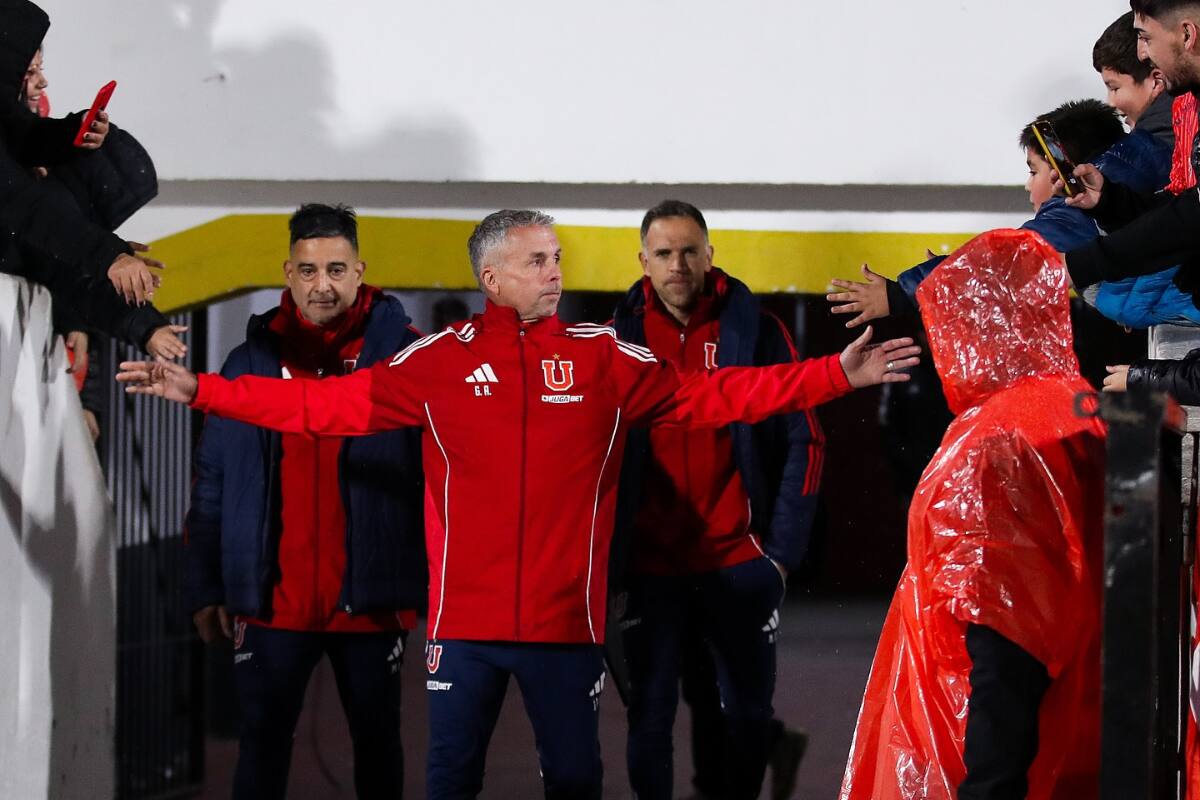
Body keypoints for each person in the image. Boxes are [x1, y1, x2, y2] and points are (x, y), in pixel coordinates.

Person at [119, 209, 920, 799]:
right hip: (462, 635)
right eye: (537, 261)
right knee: (451, 783)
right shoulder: (437, 362)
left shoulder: (605, 358)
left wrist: (836, 375)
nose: (554, 273)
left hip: (566, 631)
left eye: (556, 258)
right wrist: (201, 390)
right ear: (492, 278)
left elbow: (719, 396)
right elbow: (316, 409)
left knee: (574, 782)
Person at [839, 228, 1106, 800]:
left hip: (969, 750)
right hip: (1075, 741)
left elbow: (1005, 639)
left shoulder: (994, 444)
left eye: (943, 323)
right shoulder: (1075, 405)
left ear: (977, 324)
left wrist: (988, 784)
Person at [183, 204, 424, 800]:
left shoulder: (406, 361)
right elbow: (212, 483)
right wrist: (207, 586)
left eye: (337, 270)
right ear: (288, 273)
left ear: (359, 272)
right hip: (272, 604)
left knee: (378, 747)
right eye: (309, 270)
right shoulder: (249, 364)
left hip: (371, 602)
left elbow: (440, 478)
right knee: (261, 749)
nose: (323, 285)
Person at [608, 201, 816, 800]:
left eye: (689, 251)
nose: (678, 265)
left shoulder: (754, 330)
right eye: (664, 253)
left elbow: (805, 437)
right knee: (650, 716)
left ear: (709, 256)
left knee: (743, 715)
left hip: (735, 561)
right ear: (643, 261)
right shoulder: (616, 340)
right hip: (650, 567)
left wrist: (780, 556)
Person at [829, 97, 1197, 330]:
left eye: (1033, 171)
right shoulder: (1136, 161)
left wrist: (903, 294)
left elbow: (1011, 261)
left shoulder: (1077, 209)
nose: (1027, 185)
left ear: (1065, 168)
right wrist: (952, 269)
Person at [0, 0, 185, 359]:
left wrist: (74, 133)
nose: (42, 82)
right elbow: (25, 207)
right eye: (28, 69)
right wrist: (108, 255)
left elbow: (18, 135)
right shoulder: (33, 200)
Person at [1063, 0, 1200, 291]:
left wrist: (1078, 265)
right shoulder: (1188, 107)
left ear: (1187, 35)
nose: (1141, 54)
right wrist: (1109, 201)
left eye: (1145, 37)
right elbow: (1184, 205)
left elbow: (1191, 216)